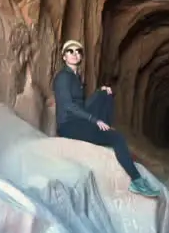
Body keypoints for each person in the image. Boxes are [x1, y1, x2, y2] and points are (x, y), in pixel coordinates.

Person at [52, 39, 160, 198]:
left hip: (79, 120)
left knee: (106, 93)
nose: (75, 54)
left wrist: (99, 93)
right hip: (69, 125)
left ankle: (106, 129)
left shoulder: (76, 78)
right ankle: (137, 182)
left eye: (78, 52)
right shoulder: (63, 77)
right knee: (117, 139)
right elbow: (68, 106)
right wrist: (95, 120)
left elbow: (81, 105)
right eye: (70, 51)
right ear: (64, 56)